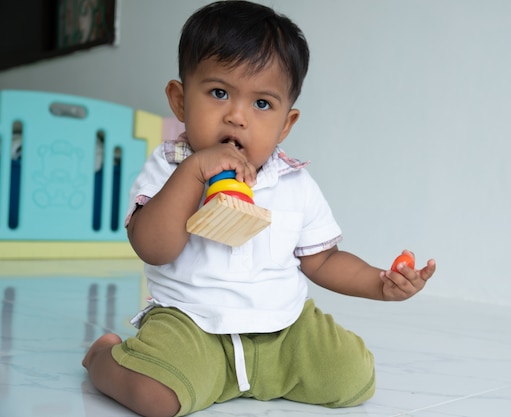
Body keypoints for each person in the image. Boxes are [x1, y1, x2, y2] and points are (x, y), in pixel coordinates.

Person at [82, 2, 436, 417]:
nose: (237, 116)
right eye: (219, 93)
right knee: (157, 400)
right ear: (180, 101)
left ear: (286, 123)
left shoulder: (293, 183)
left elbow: (322, 260)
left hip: (283, 330)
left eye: (262, 104)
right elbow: (152, 247)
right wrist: (195, 172)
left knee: (353, 378)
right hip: (192, 325)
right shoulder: (169, 167)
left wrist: (380, 283)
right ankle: (103, 358)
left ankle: (263, 374)